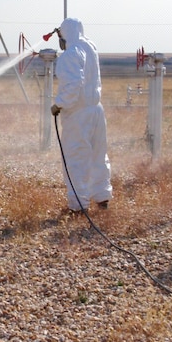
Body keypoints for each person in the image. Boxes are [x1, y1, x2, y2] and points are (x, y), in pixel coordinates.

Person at [50, 17, 112, 213]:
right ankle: (102, 197)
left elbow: (73, 84)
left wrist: (59, 104)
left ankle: (78, 206)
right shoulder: (90, 49)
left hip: (78, 114)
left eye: (60, 35)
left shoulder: (71, 54)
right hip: (96, 110)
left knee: (76, 158)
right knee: (98, 155)